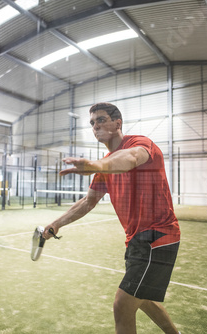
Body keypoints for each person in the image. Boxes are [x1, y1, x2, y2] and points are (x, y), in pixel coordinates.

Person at [43, 102, 181, 334]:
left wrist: (97, 164)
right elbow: (88, 202)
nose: (95, 125)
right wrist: (56, 223)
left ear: (118, 123)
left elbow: (130, 158)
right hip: (136, 240)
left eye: (101, 119)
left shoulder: (140, 144)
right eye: (92, 122)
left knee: (122, 304)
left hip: (158, 236)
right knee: (143, 298)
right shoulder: (104, 167)